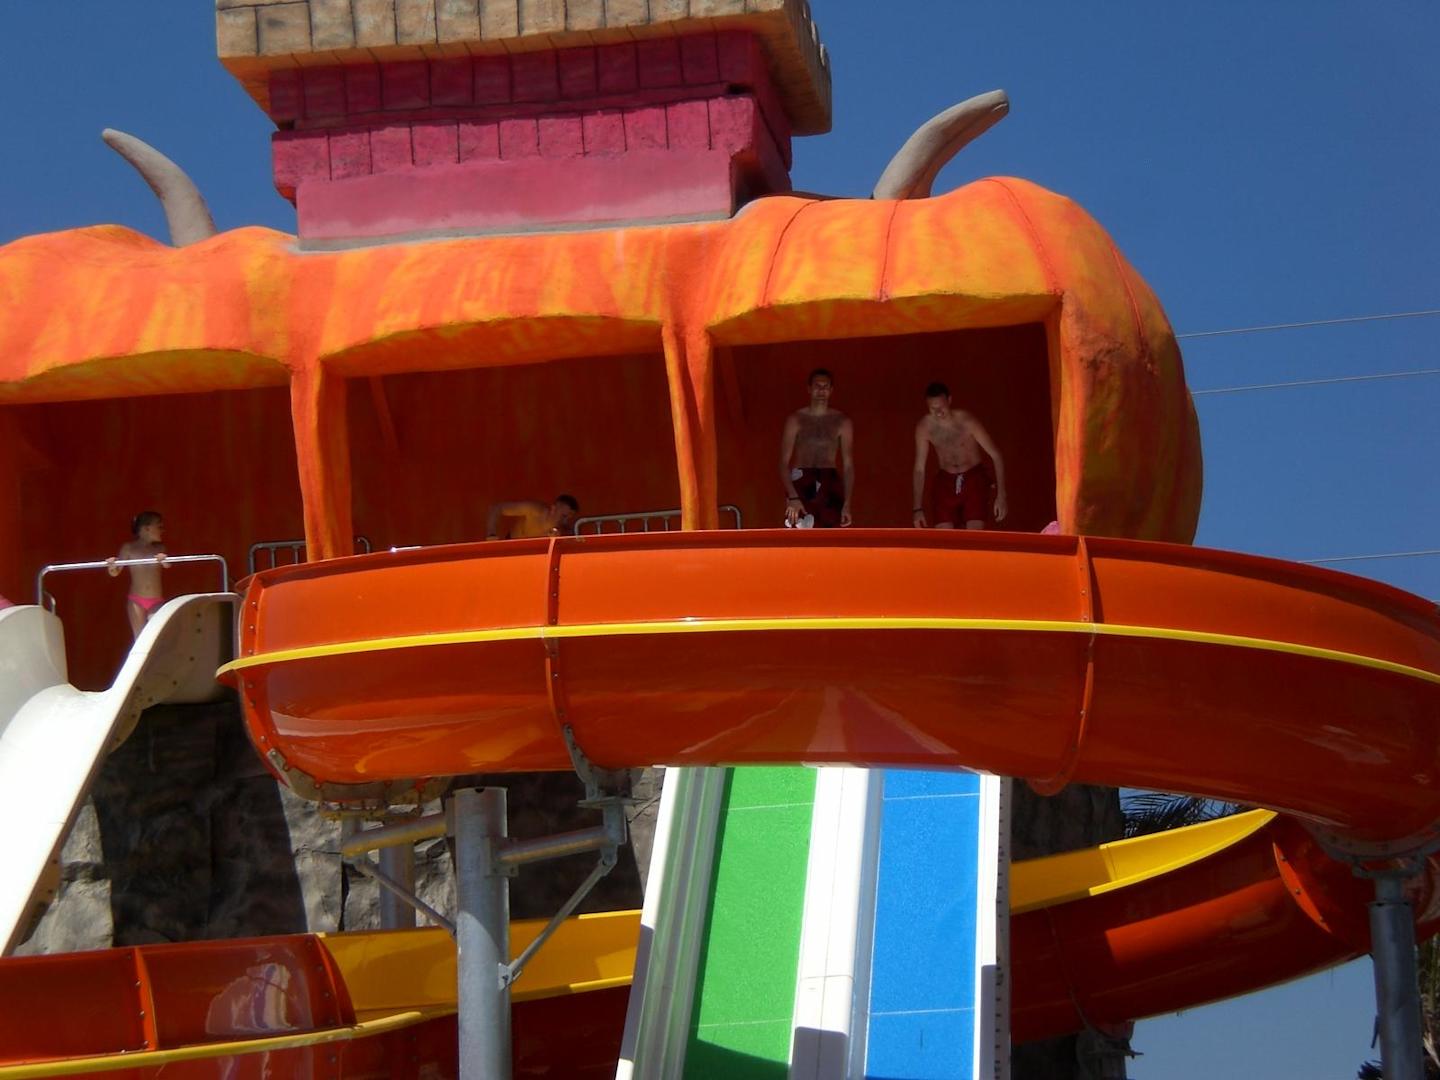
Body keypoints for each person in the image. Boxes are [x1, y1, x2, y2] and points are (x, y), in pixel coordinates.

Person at [912, 382, 1008, 530]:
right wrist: (917, 508)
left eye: (941, 407)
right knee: (944, 536)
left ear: (949, 400)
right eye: (932, 408)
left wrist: (1001, 495)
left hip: (973, 478)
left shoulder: (967, 421)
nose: (938, 412)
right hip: (946, 480)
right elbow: (919, 469)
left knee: (973, 534)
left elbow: (996, 455)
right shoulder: (924, 427)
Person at [779, 368, 854, 528]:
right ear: (809, 389)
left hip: (829, 479)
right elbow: (783, 463)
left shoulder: (842, 421)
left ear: (831, 390)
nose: (821, 391)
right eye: (817, 386)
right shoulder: (796, 420)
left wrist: (847, 503)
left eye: (825, 386)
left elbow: (848, 465)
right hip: (801, 478)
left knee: (830, 535)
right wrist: (792, 496)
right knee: (799, 533)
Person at [107, 510, 167, 637]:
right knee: (139, 638)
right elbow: (115, 572)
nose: (162, 530)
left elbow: (168, 565)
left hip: (156, 600)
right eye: (159, 527)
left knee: (157, 636)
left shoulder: (159, 548)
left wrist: (164, 560)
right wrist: (111, 566)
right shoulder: (129, 548)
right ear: (146, 529)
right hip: (136, 600)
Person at [485, 495, 580, 539]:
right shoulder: (534, 510)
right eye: (563, 516)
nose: (565, 521)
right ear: (553, 509)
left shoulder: (565, 532)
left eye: (569, 518)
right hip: (511, 547)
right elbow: (497, 508)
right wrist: (491, 534)